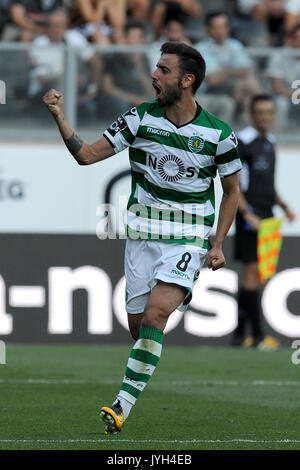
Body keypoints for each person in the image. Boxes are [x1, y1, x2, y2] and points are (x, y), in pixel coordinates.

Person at [43, 41, 241, 434]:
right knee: (140, 331)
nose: (154, 75)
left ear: (187, 81)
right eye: (156, 68)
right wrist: (59, 116)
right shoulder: (139, 119)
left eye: (163, 70)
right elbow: (86, 155)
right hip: (142, 237)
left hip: (189, 237)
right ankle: (164, 319)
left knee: (155, 316)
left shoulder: (219, 134)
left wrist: (216, 244)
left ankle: (121, 406)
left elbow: (233, 191)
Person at [232, 94, 295, 349]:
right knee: (251, 273)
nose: (265, 116)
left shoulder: (269, 141)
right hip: (251, 215)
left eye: (269, 112)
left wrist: (284, 205)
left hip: (268, 216)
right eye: (260, 112)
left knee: (260, 276)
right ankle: (257, 336)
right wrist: (247, 214)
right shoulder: (243, 141)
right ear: (252, 113)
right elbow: (233, 184)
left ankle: (239, 335)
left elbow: (267, 183)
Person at [195, 10, 262, 123]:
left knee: (250, 82)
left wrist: (224, 71)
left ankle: (253, 118)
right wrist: (233, 71)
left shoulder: (235, 45)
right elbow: (212, 79)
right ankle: (260, 117)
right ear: (208, 29)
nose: (221, 31)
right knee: (248, 85)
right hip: (210, 90)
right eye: (217, 27)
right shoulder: (200, 48)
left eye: (223, 26)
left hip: (235, 86)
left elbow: (246, 70)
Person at [267, 24, 300, 129]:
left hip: (296, 97)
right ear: (290, 39)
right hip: (282, 97)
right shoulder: (279, 55)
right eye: (298, 38)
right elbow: (278, 88)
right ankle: (280, 134)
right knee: (282, 103)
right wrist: (297, 96)